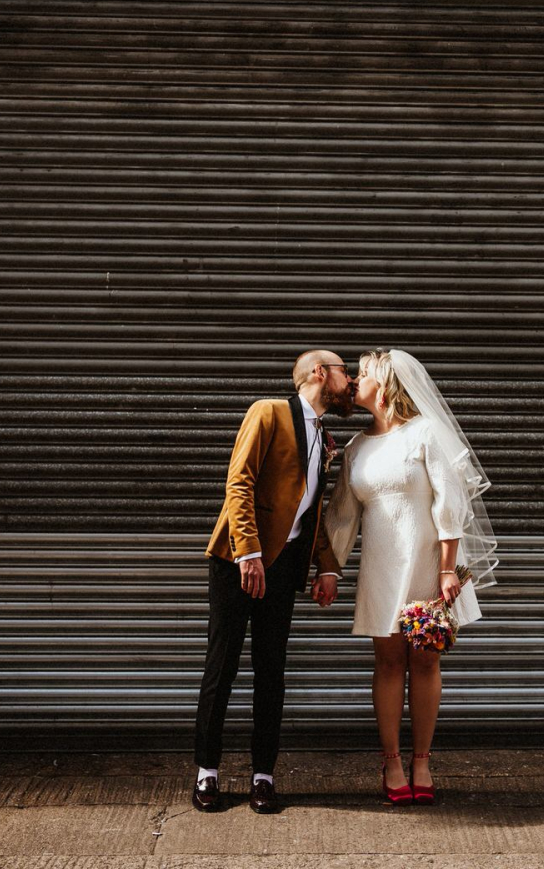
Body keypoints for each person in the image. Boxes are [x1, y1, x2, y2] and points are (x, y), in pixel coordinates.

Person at [319, 347, 500, 806]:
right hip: (382, 566)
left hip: (426, 564)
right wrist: (329, 569)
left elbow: (449, 503)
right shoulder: (357, 447)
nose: (354, 381)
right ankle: (392, 761)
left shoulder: (424, 433)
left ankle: (422, 759)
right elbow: (342, 517)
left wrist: (446, 568)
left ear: (386, 385)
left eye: (362, 373)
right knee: (387, 663)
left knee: (425, 662)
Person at [192, 349, 356, 814]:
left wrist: (326, 566)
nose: (352, 381)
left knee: (272, 672)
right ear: (320, 373)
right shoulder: (267, 412)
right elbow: (239, 482)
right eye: (346, 372)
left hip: (284, 568)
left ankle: (263, 776)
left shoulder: (323, 434)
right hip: (237, 560)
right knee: (221, 666)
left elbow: (311, 512)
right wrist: (249, 553)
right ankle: (207, 773)